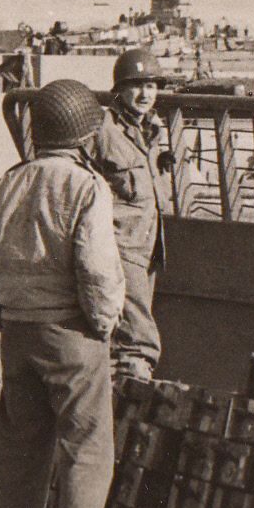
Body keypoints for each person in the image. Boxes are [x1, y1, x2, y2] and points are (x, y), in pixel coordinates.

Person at [0, 79, 152, 508]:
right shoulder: (86, 187)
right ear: (87, 136)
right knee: (88, 451)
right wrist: (102, 325)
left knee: (20, 453)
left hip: (17, 336)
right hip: (72, 335)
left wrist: (3, 317)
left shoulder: (7, 183)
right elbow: (98, 270)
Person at [87, 47, 171, 383]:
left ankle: (116, 377)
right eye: (136, 85)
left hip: (148, 244)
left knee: (126, 316)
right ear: (119, 90)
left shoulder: (152, 129)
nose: (145, 93)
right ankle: (136, 376)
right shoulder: (104, 128)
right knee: (137, 328)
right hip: (119, 242)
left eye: (151, 85)